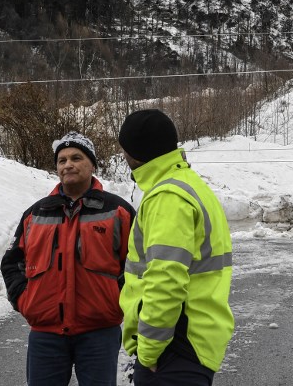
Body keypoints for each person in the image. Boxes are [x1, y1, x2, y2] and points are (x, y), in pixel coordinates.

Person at [0, 131, 135, 386]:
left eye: (76, 158)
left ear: (92, 164)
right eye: (62, 160)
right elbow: (11, 262)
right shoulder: (36, 213)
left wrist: (117, 300)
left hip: (99, 333)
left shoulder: (117, 211)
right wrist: (25, 300)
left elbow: (137, 264)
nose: (68, 165)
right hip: (46, 334)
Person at [117, 109, 234, 386]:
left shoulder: (168, 196)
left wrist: (148, 352)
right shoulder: (188, 185)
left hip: (174, 350)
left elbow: (166, 280)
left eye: (124, 149)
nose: (123, 156)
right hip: (189, 344)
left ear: (136, 150)